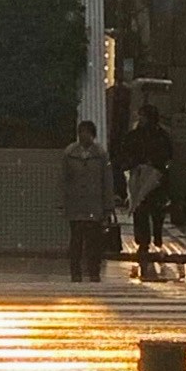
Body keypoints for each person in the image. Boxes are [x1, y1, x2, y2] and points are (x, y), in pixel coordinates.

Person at [61, 117, 115, 284]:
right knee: (76, 240)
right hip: (76, 204)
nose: (83, 136)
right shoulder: (69, 154)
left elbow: (107, 181)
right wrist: (63, 202)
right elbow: (63, 179)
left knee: (94, 241)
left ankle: (94, 271)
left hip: (94, 203)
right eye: (81, 133)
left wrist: (108, 206)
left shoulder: (101, 155)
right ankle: (75, 272)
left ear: (93, 135)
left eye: (86, 133)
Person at [124, 107, 174, 275]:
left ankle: (155, 235)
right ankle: (143, 241)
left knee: (154, 209)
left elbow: (168, 155)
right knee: (140, 207)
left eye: (143, 116)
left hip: (155, 177)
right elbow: (126, 151)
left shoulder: (159, 136)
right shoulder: (139, 135)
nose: (141, 119)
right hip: (141, 174)